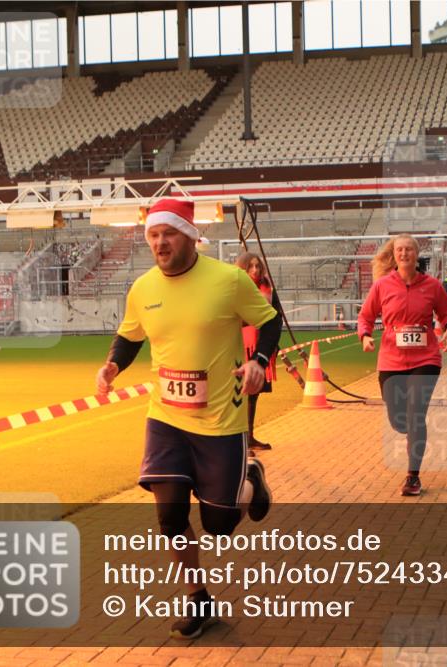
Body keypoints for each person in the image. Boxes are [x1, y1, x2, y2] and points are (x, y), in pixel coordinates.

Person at [95, 198, 281, 640]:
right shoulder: (142, 289)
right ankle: (198, 597)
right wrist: (111, 366)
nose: (160, 242)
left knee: (219, 525)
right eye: (153, 236)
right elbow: (130, 333)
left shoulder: (229, 280)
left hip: (220, 420)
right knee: (171, 517)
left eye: (169, 234)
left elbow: (269, 321)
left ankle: (250, 476)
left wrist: (257, 360)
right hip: (166, 420)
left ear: (190, 235)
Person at [359, 234, 447, 496]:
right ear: (395, 255)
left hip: (425, 359)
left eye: (409, 250)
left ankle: (413, 476)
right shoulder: (382, 286)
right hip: (391, 359)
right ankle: (405, 427)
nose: (404, 254)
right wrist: (365, 335)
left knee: (415, 416)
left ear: (416, 254)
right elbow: (365, 316)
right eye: (399, 250)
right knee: (399, 420)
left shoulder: (433, 285)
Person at [235, 252, 283, 455]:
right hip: (242, 347)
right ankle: (239, 442)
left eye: (257, 266)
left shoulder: (268, 289)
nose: (255, 270)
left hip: (261, 347)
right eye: (250, 266)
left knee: (253, 394)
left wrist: (271, 343)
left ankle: (249, 437)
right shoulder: (238, 288)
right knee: (240, 395)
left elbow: (275, 315)